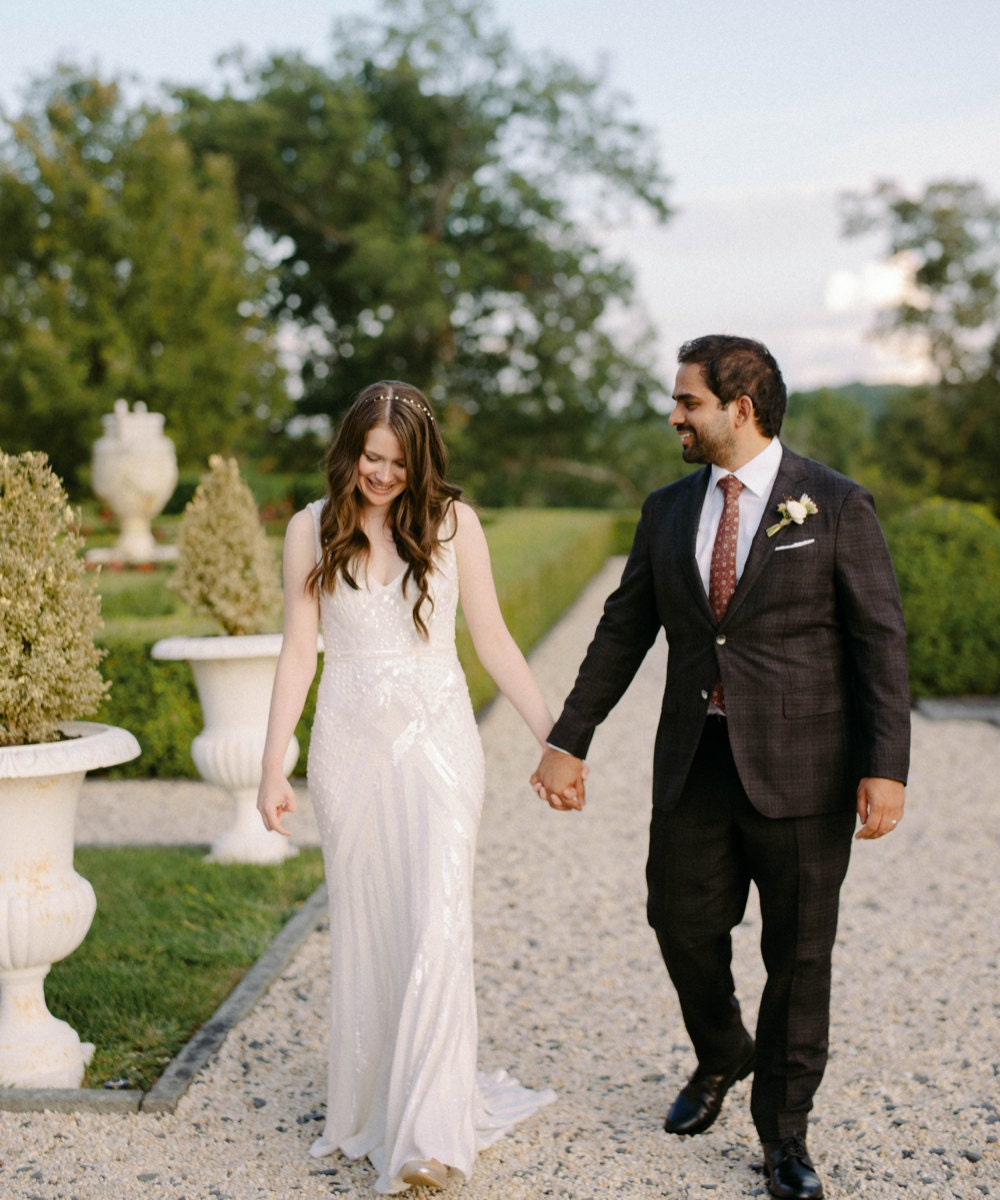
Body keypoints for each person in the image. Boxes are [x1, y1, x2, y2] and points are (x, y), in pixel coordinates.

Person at [531, 335, 910, 1200]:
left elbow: (878, 643)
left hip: (807, 772)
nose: (675, 416)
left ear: (741, 407)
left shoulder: (837, 505)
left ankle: (784, 1139)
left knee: (799, 956)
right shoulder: (666, 510)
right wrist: (569, 735)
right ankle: (722, 1051)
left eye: (688, 402)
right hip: (695, 762)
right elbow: (625, 629)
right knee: (678, 921)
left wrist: (887, 765)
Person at [257, 381, 557, 1194]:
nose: (381, 475)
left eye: (396, 462)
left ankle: (429, 1134)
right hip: (349, 750)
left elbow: (491, 638)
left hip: (439, 745)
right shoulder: (308, 530)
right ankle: (379, 1100)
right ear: (349, 450)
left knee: (436, 919)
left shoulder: (455, 524)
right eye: (369, 457)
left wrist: (555, 736)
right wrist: (271, 763)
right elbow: (296, 653)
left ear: (419, 462)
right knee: (372, 923)